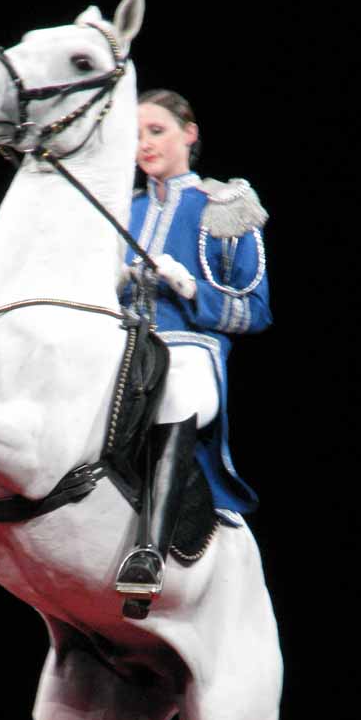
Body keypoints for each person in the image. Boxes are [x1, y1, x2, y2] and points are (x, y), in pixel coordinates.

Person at [114, 89, 273, 603]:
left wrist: (189, 287)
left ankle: (149, 552)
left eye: (155, 131)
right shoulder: (119, 210)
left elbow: (255, 310)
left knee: (179, 394)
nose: (143, 144)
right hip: (117, 344)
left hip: (187, 347)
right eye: (135, 135)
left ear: (189, 132)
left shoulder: (225, 207)